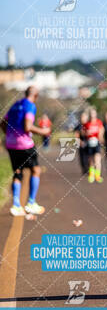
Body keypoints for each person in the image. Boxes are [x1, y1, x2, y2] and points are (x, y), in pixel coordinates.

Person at [0, 86, 51, 216]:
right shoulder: (30, 105)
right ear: (36, 96)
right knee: (36, 170)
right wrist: (44, 132)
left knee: (17, 172)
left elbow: (3, 122)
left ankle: (16, 206)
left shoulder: (16, 105)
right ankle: (31, 203)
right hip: (24, 144)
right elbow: (27, 127)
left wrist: (10, 135)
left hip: (11, 143)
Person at [83, 108, 104, 183]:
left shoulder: (99, 122)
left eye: (94, 114)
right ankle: (91, 175)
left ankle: (97, 176)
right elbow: (83, 132)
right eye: (91, 114)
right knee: (91, 160)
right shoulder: (87, 124)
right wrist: (86, 133)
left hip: (97, 143)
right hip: (89, 143)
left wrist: (100, 137)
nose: (92, 116)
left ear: (96, 115)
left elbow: (101, 130)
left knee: (97, 160)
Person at [74, 111, 89, 175]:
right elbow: (76, 135)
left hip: (89, 143)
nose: (83, 118)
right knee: (82, 157)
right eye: (82, 116)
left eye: (84, 117)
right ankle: (84, 169)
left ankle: (89, 169)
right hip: (81, 144)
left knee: (89, 157)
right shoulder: (79, 126)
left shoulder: (89, 124)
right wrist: (80, 142)